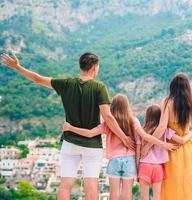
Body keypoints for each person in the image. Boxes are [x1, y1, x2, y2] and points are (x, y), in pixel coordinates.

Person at [1, 52, 136, 200]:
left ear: (81, 66)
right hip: (91, 145)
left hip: (69, 143)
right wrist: (123, 137)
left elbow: (37, 79)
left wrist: (18, 67)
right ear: (95, 67)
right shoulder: (99, 87)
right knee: (91, 185)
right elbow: (108, 117)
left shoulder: (66, 83)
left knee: (66, 184)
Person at [62, 94, 177, 200]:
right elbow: (145, 136)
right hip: (130, 161)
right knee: (127, 195)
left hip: (114, 161)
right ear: (127, 106)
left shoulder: (108, 123)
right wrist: (163, 144)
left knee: (114, 195)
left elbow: (90, 133)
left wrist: (70, 128)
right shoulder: (133, 120)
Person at [136, 104, 192, 200]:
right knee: (157, 197)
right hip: (158, 167)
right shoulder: (165, 131)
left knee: (144, 198)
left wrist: (137, 169)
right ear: (160, 117)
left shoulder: (141, 132)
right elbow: (182, 141)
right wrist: (191, 133)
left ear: (147, 116)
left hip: (144, 166)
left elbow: (138, 153)